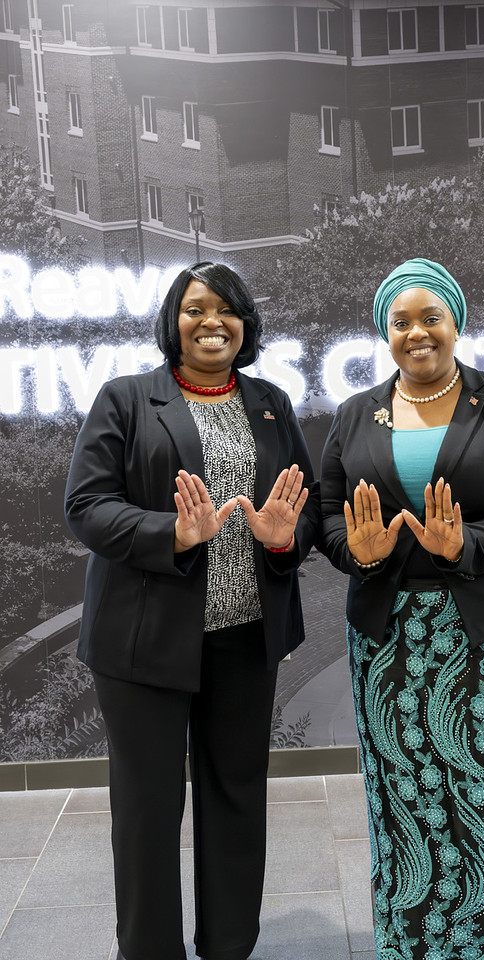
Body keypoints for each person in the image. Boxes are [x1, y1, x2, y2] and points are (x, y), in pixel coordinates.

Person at [64, 261, 320, 960]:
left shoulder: (270, 403)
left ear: (247, 324)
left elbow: (306, 507)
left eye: (228, 309)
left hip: (244, 637)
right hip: (143, 642)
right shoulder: (125, 399)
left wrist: (282, 538)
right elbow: (86, 507)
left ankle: (229, 945)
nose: (213, 321)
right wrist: (169, 534)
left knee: (235, 796)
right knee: (147, 809)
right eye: (196, 308)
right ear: (172, 323)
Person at [319, 258, 484, 959]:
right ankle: (409, 944)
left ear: (455, 322)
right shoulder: (351, 415)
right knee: (402, 795)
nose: (417, 333)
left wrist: (469, 543)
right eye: (401, 322)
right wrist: (359, 553)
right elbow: (327, 517)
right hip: (388, 638)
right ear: (384, 333)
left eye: (431, 317)